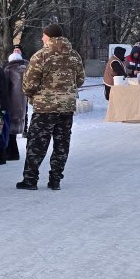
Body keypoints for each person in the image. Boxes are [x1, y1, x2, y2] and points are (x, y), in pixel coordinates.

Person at [17, 23, 85, 191]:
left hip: (44, 108)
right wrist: (66, 90)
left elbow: (29, 84)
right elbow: (80, 79)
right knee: (62, 144)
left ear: (50, 37)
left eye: (44, 35)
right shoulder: (74, 55)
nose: (42, 38)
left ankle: (30, 179)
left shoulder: (41, 56)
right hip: (66, 107)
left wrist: (33, 95)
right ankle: (55, 180)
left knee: (36, 144)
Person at [3, 50, 28, 161]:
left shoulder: (9, 70)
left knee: (9, 128)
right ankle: (14, 152)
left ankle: (12, 153)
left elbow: (6, 88)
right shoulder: (26, 69)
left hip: (11, 102)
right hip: (22, 103)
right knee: (14, 127)